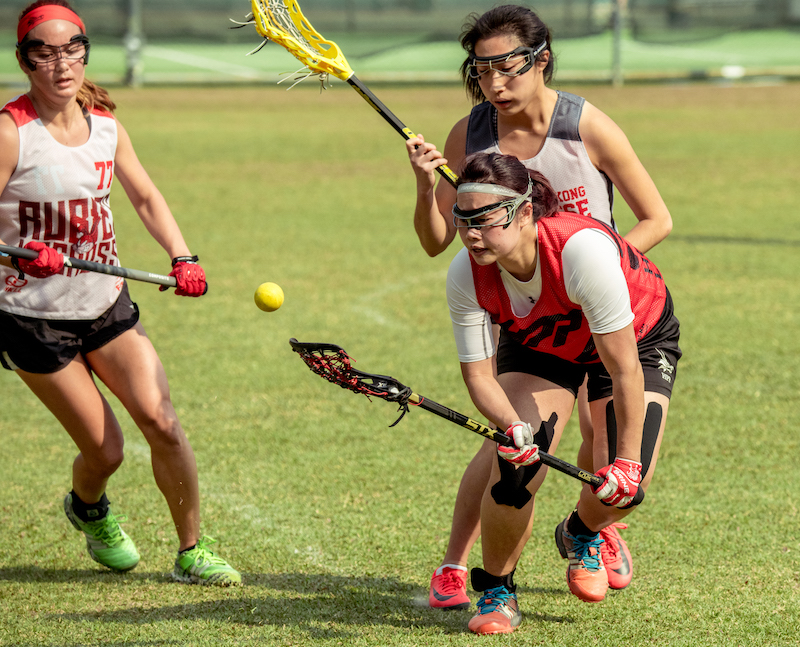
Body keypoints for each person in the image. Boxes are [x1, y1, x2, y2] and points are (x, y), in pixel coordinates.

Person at [405, 4, 673, 608]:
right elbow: (435, 242)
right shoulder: (469, 135)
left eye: (509, 67)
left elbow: (657, 219)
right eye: (481, 70)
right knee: (515, 450)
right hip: (531, 313)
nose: (495, 84)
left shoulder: (586, 127)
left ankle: (588, 532)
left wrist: (589, 273)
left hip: (602, 302)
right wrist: (427, 187)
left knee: (615, 460)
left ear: (541, 59)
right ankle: (463, 569)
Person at [0, 0, 240, 586]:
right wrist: (24, 250)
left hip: (105, 301)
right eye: (46, 53)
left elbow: (146, 197)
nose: (62, 64)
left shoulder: (105, 124)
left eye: (72, 50)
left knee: (161, 421)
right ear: (25, 61)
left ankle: (191, 551)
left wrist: (182, 256)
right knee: (107, 452)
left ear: (86, 53)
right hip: (32, 316)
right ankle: (89, 508)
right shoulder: (11, 132)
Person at [443, 151, 679, 634]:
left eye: (485, 219)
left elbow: (622, 365)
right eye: (463, 219)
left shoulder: (580, 251)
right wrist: (512, 429)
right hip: (543, 346)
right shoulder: (466, 272)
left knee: (629, 490)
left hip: (635, 342)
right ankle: (496, 591)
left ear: (525, 212)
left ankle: (581, 531)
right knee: (514, 466)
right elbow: (479, 377)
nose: (471, 234)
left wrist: (627, 462)